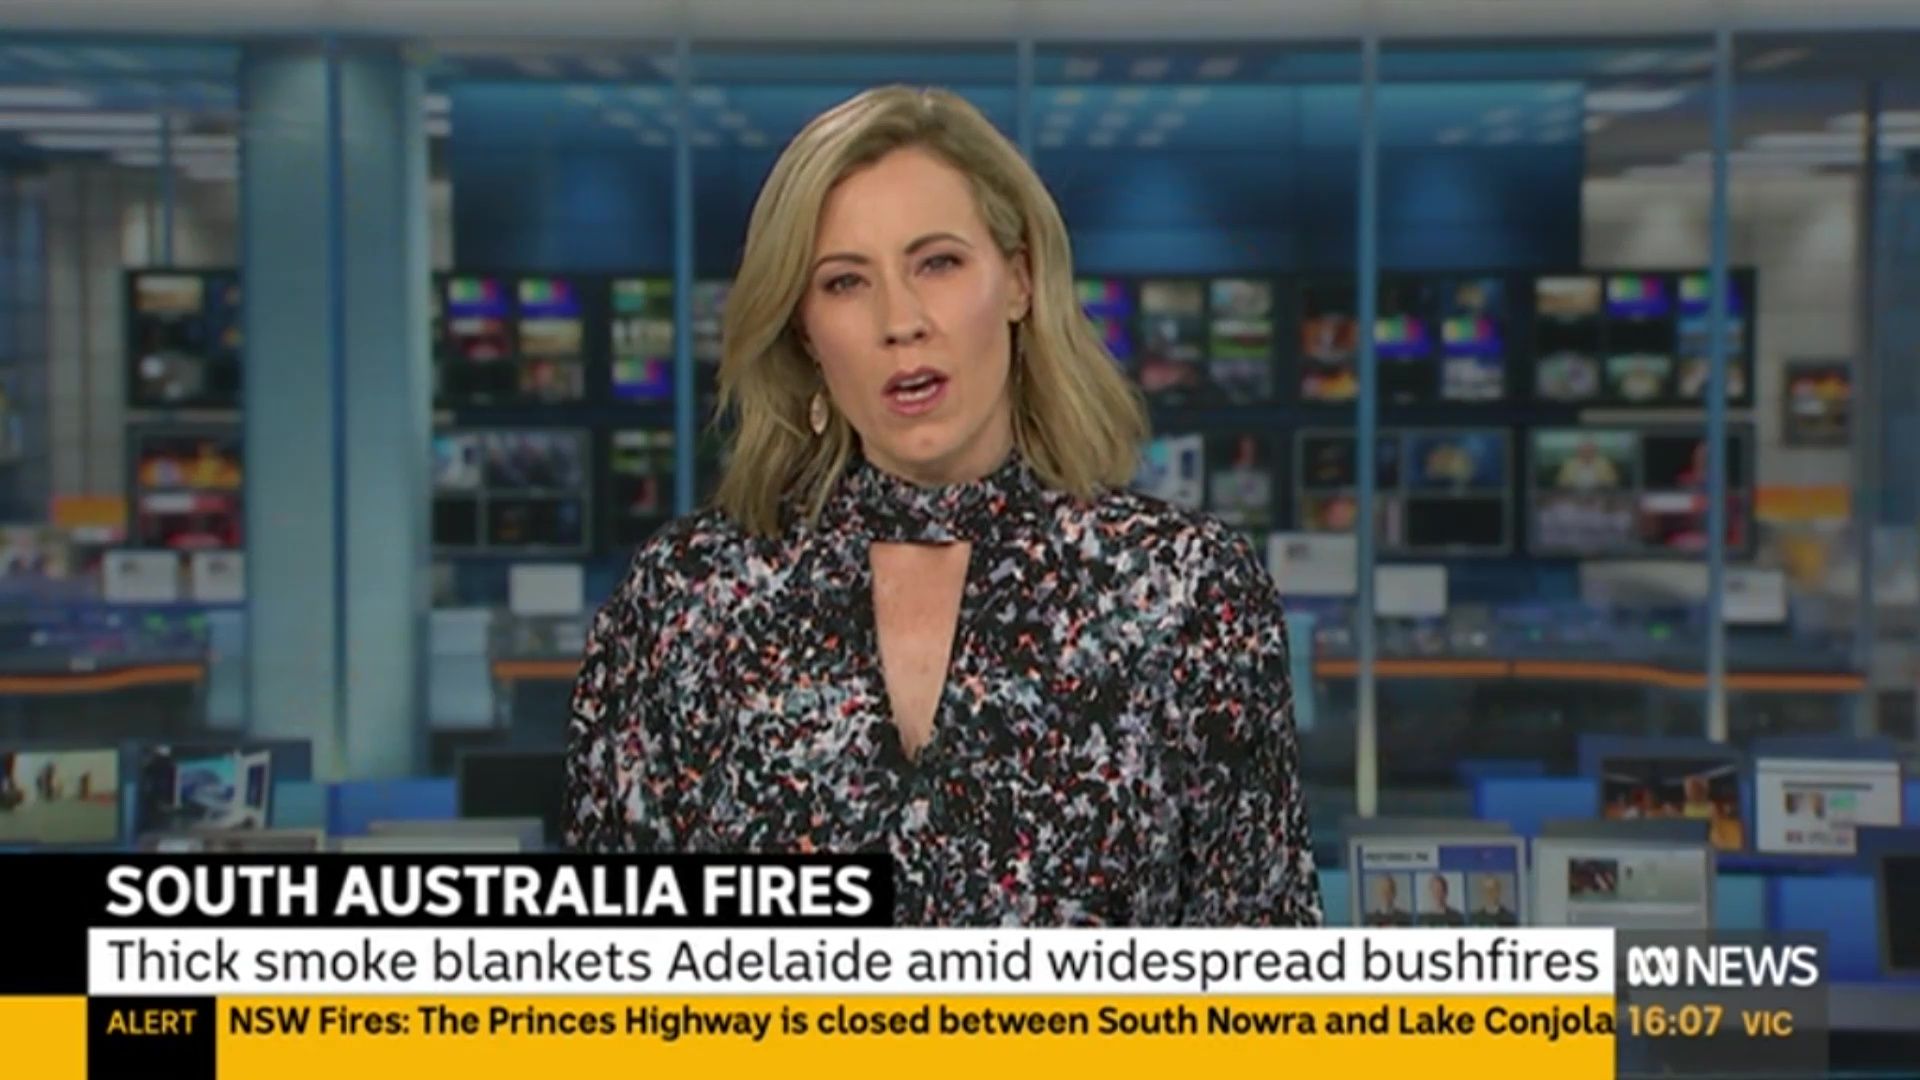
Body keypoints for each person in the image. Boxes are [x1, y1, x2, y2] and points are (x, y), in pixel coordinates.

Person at [563, 86, 1321, 928]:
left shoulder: (1186, 591)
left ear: (1019, 280)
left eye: (938, 263)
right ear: (805, 329)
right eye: (845, 282)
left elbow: (1262, 960)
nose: (901, 321)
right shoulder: (685, 599)